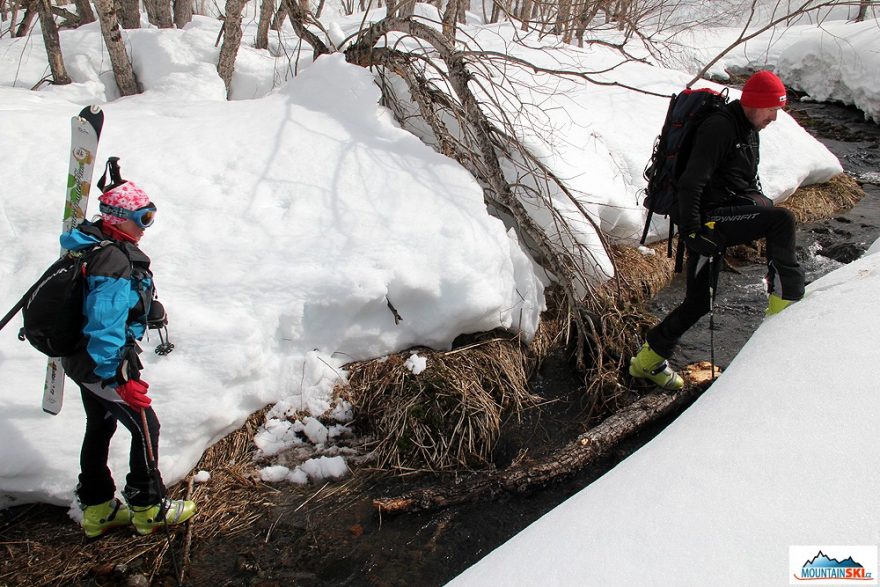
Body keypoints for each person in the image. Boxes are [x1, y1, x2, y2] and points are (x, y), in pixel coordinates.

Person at [630, 70, 805, 390]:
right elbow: (691, 181)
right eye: (772, 110)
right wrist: (695, 231)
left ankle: (646, 362)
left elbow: (743, 181)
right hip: (707, 223)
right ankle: (785, 304)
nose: (775, 118)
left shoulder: (749, 129)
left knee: (699, 303)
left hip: (722, 217)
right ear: (755, 103)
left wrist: (756, 207)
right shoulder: (720, 127)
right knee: (783, 221)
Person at [60, 174, 197, 537]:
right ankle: (149, 508)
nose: (146, 227)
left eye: (150, 217)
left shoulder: (89, 243)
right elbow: (104, 328)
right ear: (117, 219)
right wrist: (117, 379)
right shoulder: (113, 262)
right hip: (100, 363)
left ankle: (97, 508)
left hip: (76, 358)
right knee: (146, 426)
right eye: (142, 219)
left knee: (100, 425)